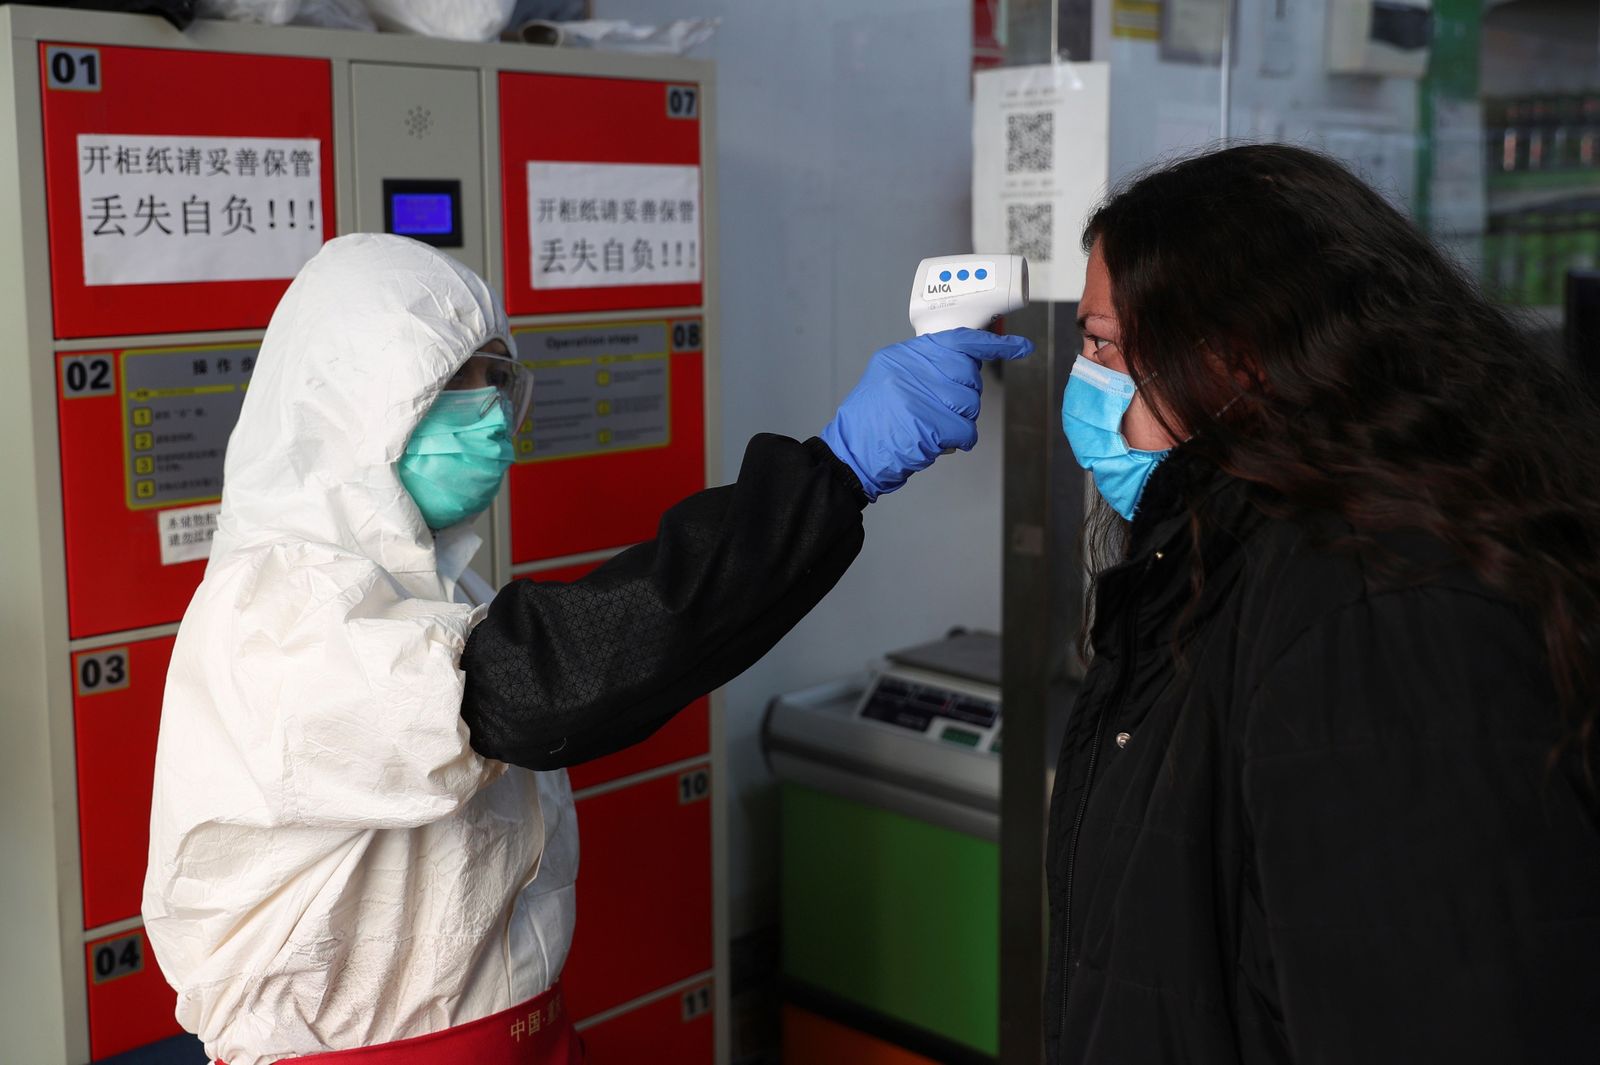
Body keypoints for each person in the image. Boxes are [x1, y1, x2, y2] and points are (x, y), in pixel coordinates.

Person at [143, 233, 1031, 1065]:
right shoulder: (277, 613)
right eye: (455, 381)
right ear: (349, 401)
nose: (492, 414)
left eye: (497, 378)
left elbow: (625, 665)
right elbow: (546, 679)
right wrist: (834, 472)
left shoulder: (428, 590)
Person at [1046, 144, 1600, 1064]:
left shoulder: (1379, 618)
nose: (1085, 378)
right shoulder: (1226, 557)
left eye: (1102, 343)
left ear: (1242, 358)